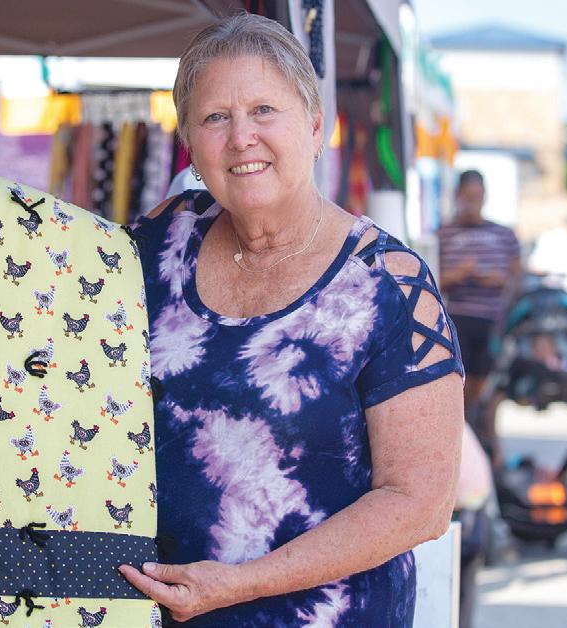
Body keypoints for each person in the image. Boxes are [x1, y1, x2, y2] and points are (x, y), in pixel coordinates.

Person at [118, 13, 464, 626]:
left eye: (263, 110)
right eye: (215, 117)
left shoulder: (391, 284)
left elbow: (420, 502)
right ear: (190, 143)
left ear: (315, 124)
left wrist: (240, 585)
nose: (240, 138)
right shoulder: (158, 243)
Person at [438, 170, 520, 464]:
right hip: (457, 320)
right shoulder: (444, 234)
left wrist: (498, 280)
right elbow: (432, 279)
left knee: (488, 389)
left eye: (478, 197)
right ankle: (464, 441)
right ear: (458, 196)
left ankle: (485, 444)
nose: (473, 203)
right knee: (459, 383)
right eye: (468, 197)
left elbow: (516, 278)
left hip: (493, 323)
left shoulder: (504, 234)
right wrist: (458, 274)